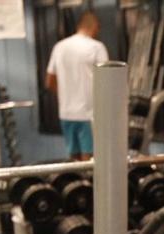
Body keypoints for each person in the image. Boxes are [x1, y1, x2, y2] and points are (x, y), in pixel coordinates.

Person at [45, 11, 108, 160]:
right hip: (88, 113)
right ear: (95, 27)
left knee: (73, 158)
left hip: (66, 113)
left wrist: (66, 94)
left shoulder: (59, 47)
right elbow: (107, 80)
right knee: (90, 159)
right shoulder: (96, 47)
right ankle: (88, 183)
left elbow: (49, 82)